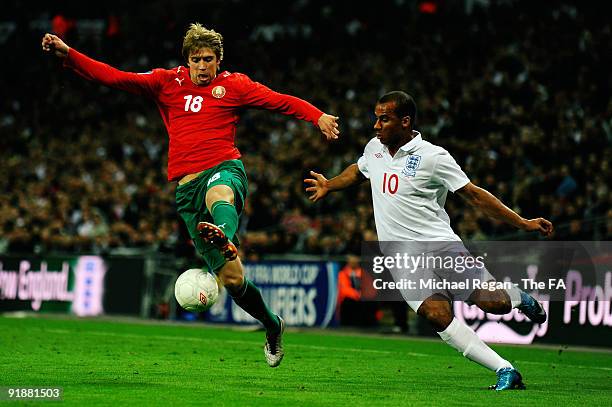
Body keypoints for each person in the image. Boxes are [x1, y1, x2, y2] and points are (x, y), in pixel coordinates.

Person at [42, 23, 340, 368]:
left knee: (221, 193)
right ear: (187, 60)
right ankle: (273, 325)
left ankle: (225, 235)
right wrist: (69, 54)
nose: (202, 66)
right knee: (233, 280)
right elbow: (114, 77)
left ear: (219, 60)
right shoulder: (166, 82)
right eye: (196, 59)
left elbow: (280, 101)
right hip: (186, 191)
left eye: (209, 59)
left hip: (223, 167)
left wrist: (316, 116)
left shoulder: (235, 85)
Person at [305, 91, 553, 390]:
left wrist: (522, 222)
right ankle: (505, 369)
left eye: (384, 119)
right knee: (436, 315)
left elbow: (474, 195)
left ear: (405, 121)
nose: (376, 125)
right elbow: (358, 172)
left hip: (441, 246)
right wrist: (330, 185)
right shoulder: (374, 149)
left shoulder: (434, 157)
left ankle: (518, 298)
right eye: (376, 118)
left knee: (494, 303)